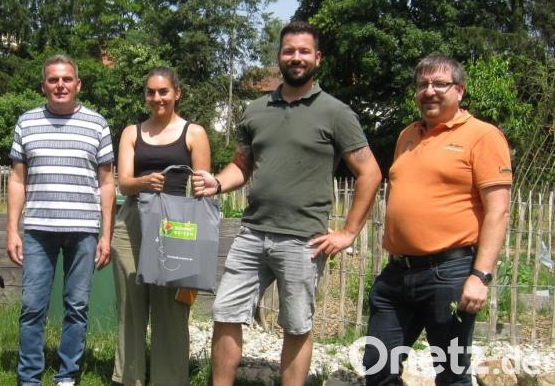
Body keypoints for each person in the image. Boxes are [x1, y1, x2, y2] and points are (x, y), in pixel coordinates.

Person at [193, 21, 383, 386]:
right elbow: (242, 165)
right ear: (279, 56)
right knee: (226, 314)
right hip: (252, 232)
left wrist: (348, 233)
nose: (296, 58)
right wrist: (218, 182)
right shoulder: (256, 109)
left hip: (303, 240)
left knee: (296, 325)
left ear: (318, 58)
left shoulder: (336, 113)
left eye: (304, 51)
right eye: (289, 51)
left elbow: (370, 173)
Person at [362, 55, 512, 385]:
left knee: (451, 374)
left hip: (449, 276)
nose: (429, 91)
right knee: (378, 367)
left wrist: (480, 276)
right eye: (422, 85)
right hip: (397, 275)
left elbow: (498, 211)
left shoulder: (483, 137)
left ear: (459, 90)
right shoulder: (407, 135)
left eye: (439, 84)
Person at [5, 54, 115, 386]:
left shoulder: (97, 124)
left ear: (78, 84)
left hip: (84, 231)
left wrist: (106, 235)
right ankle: (29, 377)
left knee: (77, 307)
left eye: (66, 79)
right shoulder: (27, 122)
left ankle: (67, 376)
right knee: (32, 307)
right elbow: (16, 179)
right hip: (38, 230)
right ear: (44, 85)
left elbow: (108, 182)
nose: (60, 85)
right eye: (53, 80)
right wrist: (12, 228)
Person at [111, 68, 211, 386]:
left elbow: (202, 189)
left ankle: (169, 380)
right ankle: (130, 378)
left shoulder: (194, 133)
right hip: (133, 224)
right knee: (131, 307)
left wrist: (195, 240)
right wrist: (143, 181)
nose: (157, 98)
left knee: (171, 310)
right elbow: (124, 183)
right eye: (151, 92)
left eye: (164, 91)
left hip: (176, 225)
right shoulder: (132, 132)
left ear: (176, 94)